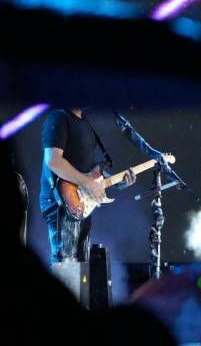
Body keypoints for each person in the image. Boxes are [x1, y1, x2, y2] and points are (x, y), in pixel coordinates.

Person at [39, 108, 134, 263]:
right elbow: (53, 161)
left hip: (79, 201)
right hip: (61, 202)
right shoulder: (58, 117)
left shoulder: (84, 121)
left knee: (82, 263)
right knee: (66, 263)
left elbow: (88, 168)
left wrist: (116, 181)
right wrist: (87, 182)